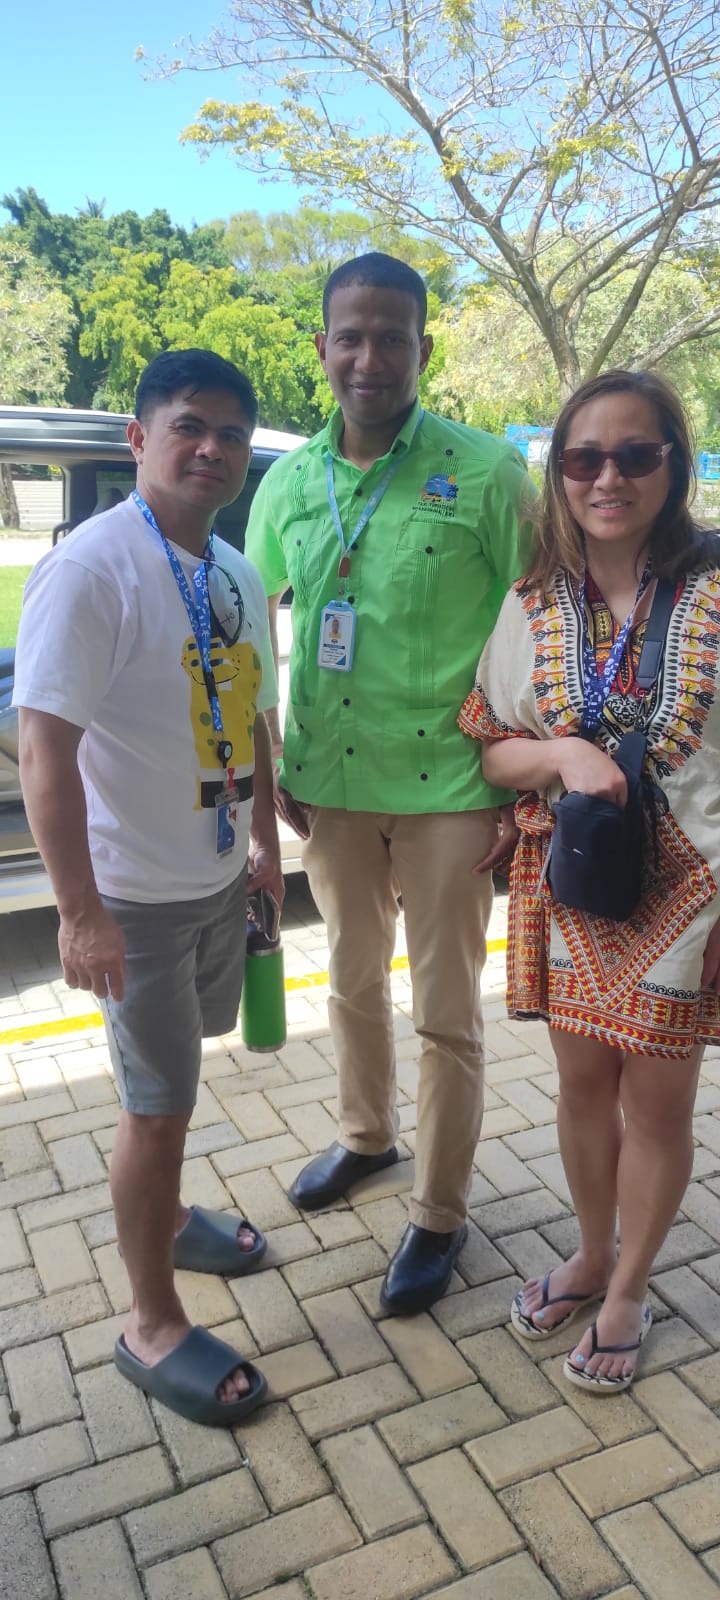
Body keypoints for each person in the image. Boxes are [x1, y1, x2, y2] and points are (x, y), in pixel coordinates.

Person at [245, 252, 534, 1315]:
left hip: (454, 787)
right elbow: (253, 625)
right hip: (332, 787)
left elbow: (535, 622)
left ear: (425, 347)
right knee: (352, 984)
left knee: (447, 1009)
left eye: (392, 336)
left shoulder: (490, 471)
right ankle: (366, 1136)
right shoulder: (286, 481)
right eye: (350, 337)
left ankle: (440, 1211)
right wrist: (272, 760)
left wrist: (519, 781)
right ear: (321, 347)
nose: (370, 357)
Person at [13, 349, 284, 1427]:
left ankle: (168, 1217)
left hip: (216, 872)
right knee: (155, 1106)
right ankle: (150, 1319)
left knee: (177, 1083)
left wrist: (263, 840)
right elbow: (43, 751)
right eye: (188, 426)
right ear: (140, 438)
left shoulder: (233, 571)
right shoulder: (92, 568)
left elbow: (250, 716)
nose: (211, 448)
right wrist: (78, 910)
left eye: (230, 433)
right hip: (136, 900)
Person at [460, 369, 720, 1392]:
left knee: (655, 1109)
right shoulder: (534, 602)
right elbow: (491, 749)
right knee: (579, 1089)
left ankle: (629, 1287)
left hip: (693, 895)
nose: (606, 476)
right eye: (583, 457)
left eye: (633, 454)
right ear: (559, 473)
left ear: (674, 464)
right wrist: (563, 757)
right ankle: (592, 1248)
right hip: (571, 883)